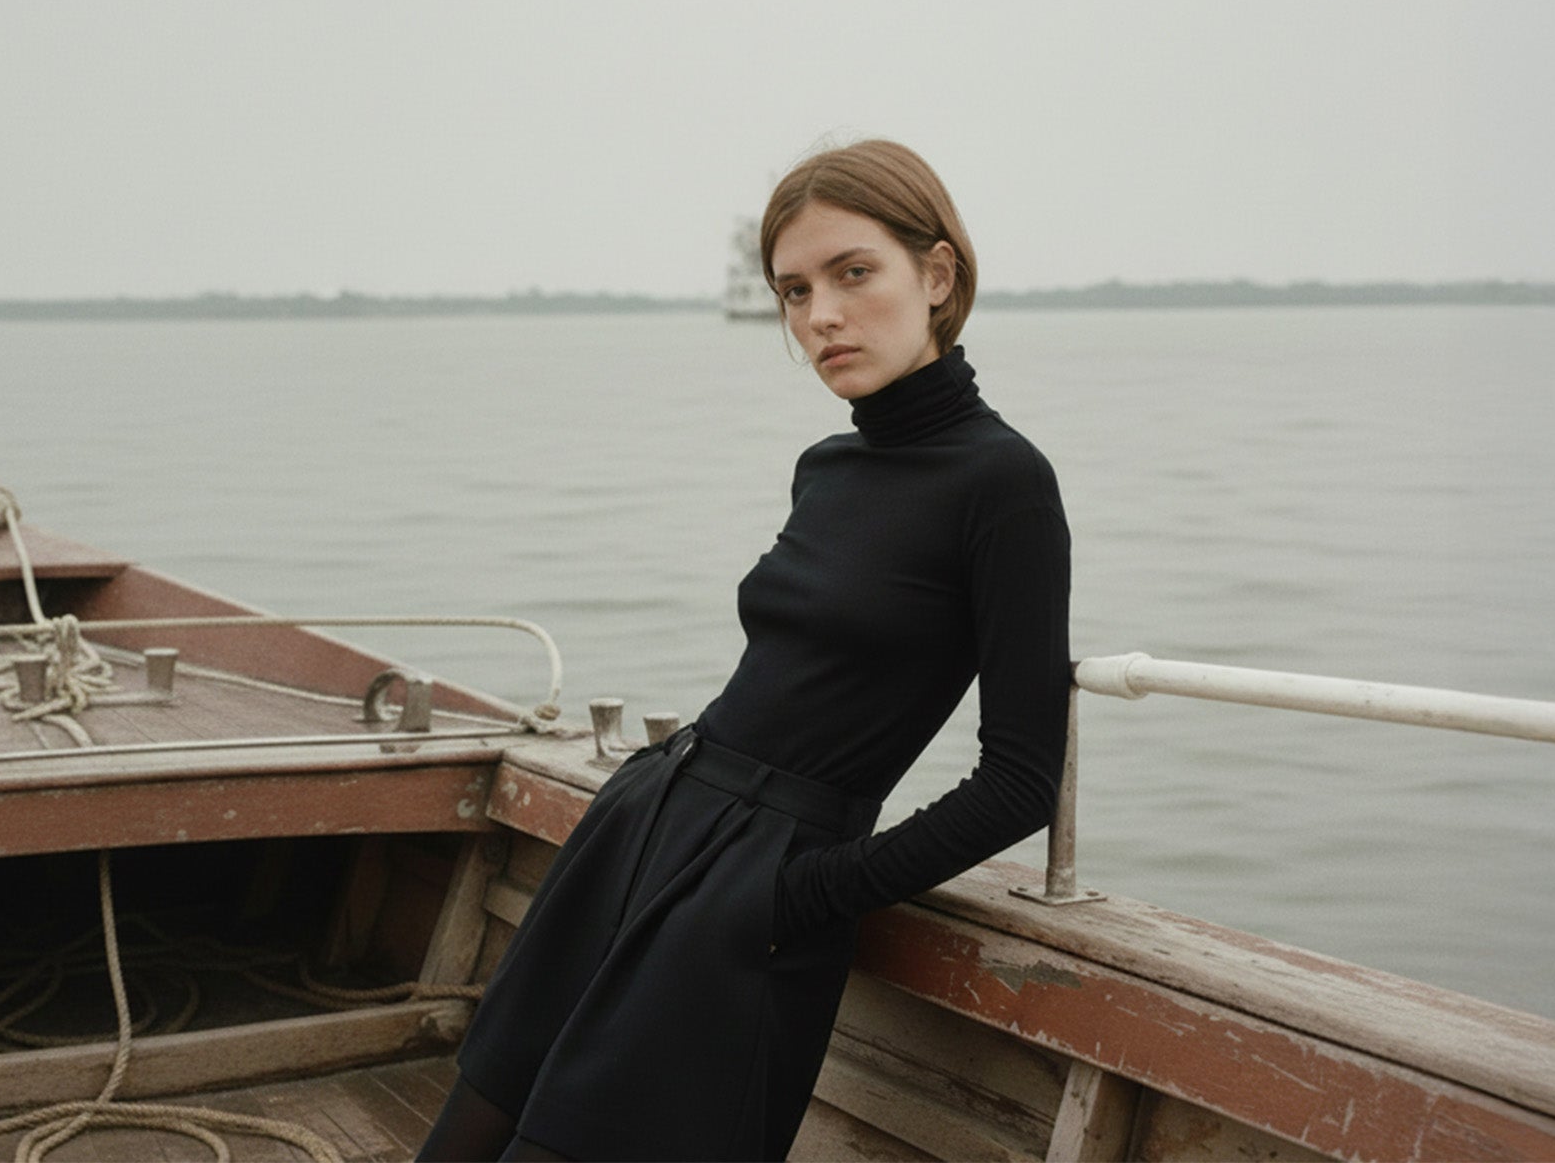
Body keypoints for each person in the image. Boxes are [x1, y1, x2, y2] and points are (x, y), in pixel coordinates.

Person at [418, 139, 1072, 1162]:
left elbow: (1021, 780)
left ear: (937, 276)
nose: (821, 316)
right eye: (795, 290)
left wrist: (804, 895)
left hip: (758, 885)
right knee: (472, 1126)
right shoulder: (829, 467)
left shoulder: (1004, 484)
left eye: (853, 273)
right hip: (645, 822)